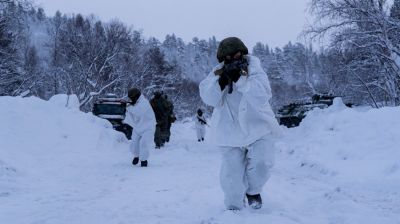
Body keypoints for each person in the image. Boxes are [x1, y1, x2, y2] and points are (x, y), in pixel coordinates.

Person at [199, 37, 282, 210]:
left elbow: (263, 95)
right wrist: (221, 82)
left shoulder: (255, 70)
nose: (232, 59)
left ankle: (253, 191)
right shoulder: (217, 73)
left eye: (235, 55)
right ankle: (233, 206)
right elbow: (208, 98)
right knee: (232, 175)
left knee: (262, 163)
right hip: (229, 130)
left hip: (258, 126)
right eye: (227, 57)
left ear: (243, 53)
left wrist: (241, 79)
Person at [123, 88, 156, 167]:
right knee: (134, 143)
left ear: (136, 96)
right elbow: (131, 110)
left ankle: (144, 160)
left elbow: (138, 112)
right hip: (138, 127)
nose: (131, 99)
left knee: (143, 143)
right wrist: (124, 104)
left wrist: (126, 106)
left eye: (132, 97)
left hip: (148, 127)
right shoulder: (135, 103)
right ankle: (136, 156)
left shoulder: (144, 102)